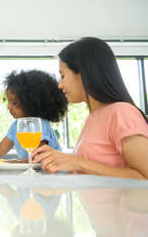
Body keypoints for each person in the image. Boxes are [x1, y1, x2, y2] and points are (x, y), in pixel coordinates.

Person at [33, 37, 148, 179]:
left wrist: (79, 163)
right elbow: (89, 171)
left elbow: (145, 176)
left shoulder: (121, 112)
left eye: (63, 76)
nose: (60, 85)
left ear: (82, 75)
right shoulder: (94, 116)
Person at [0, 70, 68, 160]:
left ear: (32, 103)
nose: (9, 107)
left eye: (14, 103)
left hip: (52, 176)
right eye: (8, 102)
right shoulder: (16, 126)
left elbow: (37, 159)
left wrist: (8, 163)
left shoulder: (40, 125)